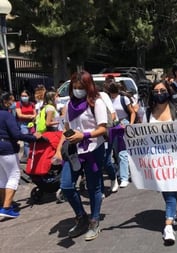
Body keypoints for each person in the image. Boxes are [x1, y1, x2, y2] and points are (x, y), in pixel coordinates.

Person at [54, 70, 108, 241]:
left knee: (93, 188)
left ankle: (94, 221)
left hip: (93, 149)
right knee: (67, 186)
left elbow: (102, 128)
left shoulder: (96, 103)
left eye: (81, 87)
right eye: (75, 87)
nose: (78, 90)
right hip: (74, 152)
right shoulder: (70, 105)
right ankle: (81, 217)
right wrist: (59, 149)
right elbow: (67, 128)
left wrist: (83, 136)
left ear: (88, 86)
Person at [143, 80, 177, 245]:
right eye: (156, 91)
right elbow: (142, 135)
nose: (159, 93)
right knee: (164, 189)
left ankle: (168, 226)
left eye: (162, 90)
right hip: (157, 159)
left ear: (168, 92)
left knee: (170, 192)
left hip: (175, 159)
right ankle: (173, 212)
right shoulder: (148, 113)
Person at [0, 92, 42, 218]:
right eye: (12, 101)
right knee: (14, 175)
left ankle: (4, 204)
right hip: (7, 148)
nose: (13, 103)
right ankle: (6, 207)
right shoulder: (7, 115)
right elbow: (16, 134)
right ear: (6, 102)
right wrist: (33, 138)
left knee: (2, 178)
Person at [107, 80, 136, 188]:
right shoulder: (107, 100)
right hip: (112, 126)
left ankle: (124, 177)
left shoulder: (124, 99)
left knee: (122, 152)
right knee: (115, 151)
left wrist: (130, 125)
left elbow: (132, 112)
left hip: (123, 125)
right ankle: (122, 170)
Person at [15, 90, 37, 163]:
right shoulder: (18, 104)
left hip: (31, 124)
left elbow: (35, 114)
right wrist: (30, 116)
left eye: (25, 96)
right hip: (23, 124)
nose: (23, 97)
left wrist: (31, 117)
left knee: (32, 139)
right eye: (22, 96)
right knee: (26, 141)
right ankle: (29, 158)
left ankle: (26, 156)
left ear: (29, 96)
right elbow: (19, 115)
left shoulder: (32, 104)